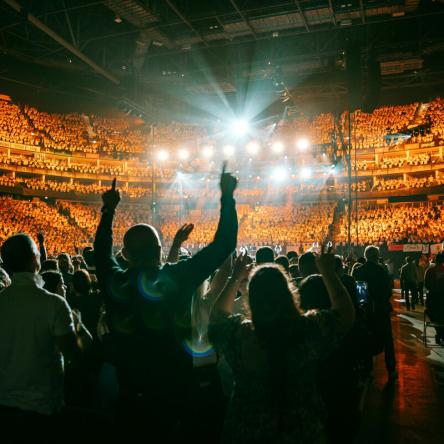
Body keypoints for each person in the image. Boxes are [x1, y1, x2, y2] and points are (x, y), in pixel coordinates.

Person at [93, 166, 238, 442]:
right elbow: (224, 244)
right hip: (176, 398)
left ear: (125, 254)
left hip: (129, 398)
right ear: (160, 251)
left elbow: (100, 252)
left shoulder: (114, 284)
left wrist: (108, 210)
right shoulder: (177, 278)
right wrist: (227, 196)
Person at [208, 246, 355, 444]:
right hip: (300, 433)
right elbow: (345, 314)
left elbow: (217, 317)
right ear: (288, 294)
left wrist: (236, 277)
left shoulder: (240, 334)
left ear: (252, 299)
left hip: (247, 433)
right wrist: (327, 272)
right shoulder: (307, 331)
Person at [0, 233, 86, 443]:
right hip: (42, 407)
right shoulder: (54, 304)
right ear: (35, 261)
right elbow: (75, 355)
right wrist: (77, 323)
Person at [352, 245, 397, 382]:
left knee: (366, 338)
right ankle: (391, 369)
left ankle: (367, 369)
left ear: (366, 256)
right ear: (377, 256)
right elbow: (388, 291)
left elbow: (359, 294)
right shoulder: (382, 271)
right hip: (381, 310)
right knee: (388, 341)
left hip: (365, 311)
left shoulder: (359, 271)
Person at [424, 252, 444, 345]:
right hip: (442, 298)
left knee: (433, 315)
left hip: (432, 298)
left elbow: (426, 285)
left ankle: (439, 333)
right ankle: (441, 334)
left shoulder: (430, 271)